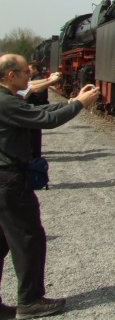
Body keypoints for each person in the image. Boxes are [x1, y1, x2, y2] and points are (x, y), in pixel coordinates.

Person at [0, 53, 99, 319]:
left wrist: (71, 102)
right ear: (11, 76)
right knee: (29, 238)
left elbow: (37, 112)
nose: (29, 78)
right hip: (8, 181)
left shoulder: (8, 100)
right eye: (25, 74)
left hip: (5, 180)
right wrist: (78, 105)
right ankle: (30, 301)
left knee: (1, 243)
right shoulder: (5, 103)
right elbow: (46, 120)